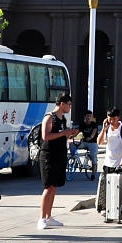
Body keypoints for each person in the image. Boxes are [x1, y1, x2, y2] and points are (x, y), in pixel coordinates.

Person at [37, 93, 76, 231]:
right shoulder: (49, 117)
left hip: (60, 154)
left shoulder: (63, 119)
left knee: (54, 187)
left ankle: (48, 216)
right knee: (48, 187)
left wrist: (69, 134)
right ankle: (41, 218)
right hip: (48, 156)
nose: (70, 107)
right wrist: (64, 132)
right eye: (69, 104)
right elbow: (45, 136)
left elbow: (61, 136)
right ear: (62, 104)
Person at [79, 111, 99, 176]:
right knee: (72, 145)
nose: (89, 118)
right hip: (84, 142)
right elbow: (77, 132)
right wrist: (71, 135)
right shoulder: (82, 125)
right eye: (87, 116)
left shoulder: (94, 124)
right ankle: (74, 159)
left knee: (93, 156)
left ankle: (93, 174)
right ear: (85, 117)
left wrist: (90, 137)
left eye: (90, 116)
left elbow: (94, 132)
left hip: (93, 143)